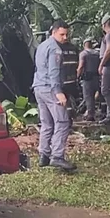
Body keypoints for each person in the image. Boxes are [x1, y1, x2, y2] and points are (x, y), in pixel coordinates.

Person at [32, 20, 76, 171]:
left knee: (46, 123)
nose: (65, 37)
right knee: (63, 122)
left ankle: (43, 155)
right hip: (50, 88)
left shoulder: (41, 46)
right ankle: (57, 156)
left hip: (38, 87)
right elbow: (53, 71)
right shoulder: (55, 49)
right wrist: (58, 92)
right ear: (54, 32)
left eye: (66, 34)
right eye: (62, 34)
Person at [77, 38, 100, 121]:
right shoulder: (97, 53)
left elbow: (81, 66)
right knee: (96, 96)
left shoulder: (83, 53)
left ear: (84, 45)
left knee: (88, 96)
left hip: (87, 78)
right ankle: (96, 113)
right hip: (97, 77)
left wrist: (77, 76)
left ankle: (90, 115)